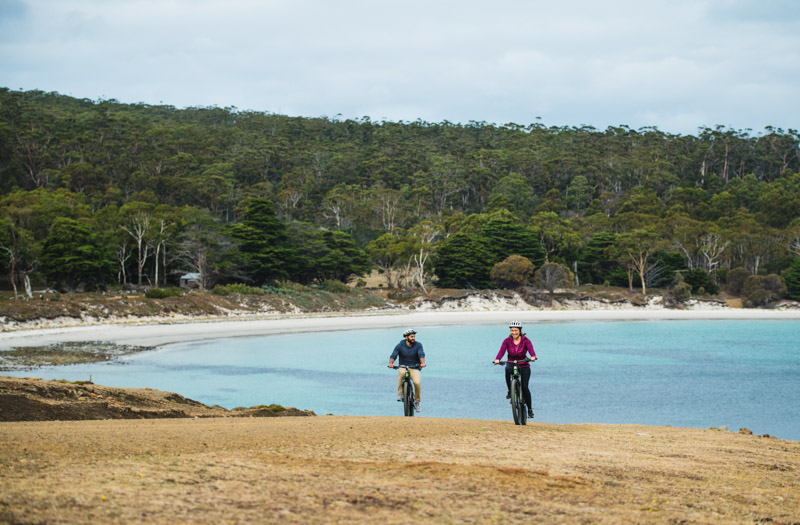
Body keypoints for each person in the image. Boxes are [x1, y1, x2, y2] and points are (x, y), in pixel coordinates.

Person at [494, 321, 536, 418]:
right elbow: (502, 351)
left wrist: (533, 356)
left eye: (516, 330)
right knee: (507, 369)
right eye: (512, 330)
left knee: (525, 387)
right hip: (512, 362)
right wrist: (497, 359)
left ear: (520, 330)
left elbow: (531, 349)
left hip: (524, 364)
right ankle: (510, 390)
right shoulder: (507, 341)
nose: (514, 332)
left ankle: (529, 409)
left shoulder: (526, 340)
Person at [388, 328, 426, 412]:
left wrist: (422, 363)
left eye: (414, 336)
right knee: (401, 374)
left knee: (417, 382)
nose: (413, 338)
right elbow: (394, 355)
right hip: (403, 366)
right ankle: (400, 394)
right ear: (406, 337)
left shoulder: (418, 345)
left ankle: (417, 402)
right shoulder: (400, 345)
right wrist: (391, 363)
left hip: (414, 367)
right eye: (411, 336)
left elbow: (421, 354)